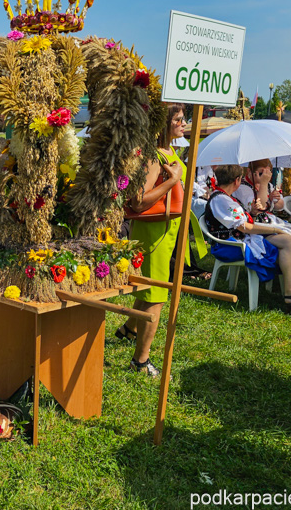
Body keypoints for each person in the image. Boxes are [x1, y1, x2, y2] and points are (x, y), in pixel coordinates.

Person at [115, 104, 188, 377]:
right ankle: (141, 361)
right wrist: (172, 182)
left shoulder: (169, 151)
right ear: (163, 124)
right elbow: (138, 200)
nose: (183, 123)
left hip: (165, 231)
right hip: (154, 232)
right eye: (178, 120)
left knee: (149, 289)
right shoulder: (153, 156)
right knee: (155, 294)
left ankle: (129, 329)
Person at [205, 164, 291, 319]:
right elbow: (243, 227)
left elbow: (243, 223)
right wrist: (275, 230)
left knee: (289, 242)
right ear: (236, 180)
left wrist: (253, 213)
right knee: (287, 241)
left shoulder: (225, 197)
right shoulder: (221, 199)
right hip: (230, 245)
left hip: (240, 239)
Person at [236, 159, 291, 283]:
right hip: (256, 227)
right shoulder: (243, 188)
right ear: (249, 171)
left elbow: (280, 206)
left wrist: (276, 198)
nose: (265, 177)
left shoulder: (268, 185)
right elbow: (260, 206)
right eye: (261, 173)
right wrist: (263, 185)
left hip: (270, 221)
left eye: (268, 174)